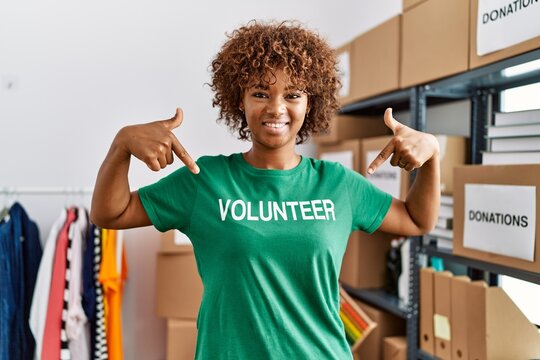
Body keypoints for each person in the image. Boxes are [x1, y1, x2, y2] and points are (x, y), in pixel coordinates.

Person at [91, 20, 440, 360]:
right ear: (239, 101)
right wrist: (120, 146)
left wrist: (432, 156)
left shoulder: (338, 184)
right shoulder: (205, 180)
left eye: (293, 94)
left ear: (310, 103)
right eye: (260, 92)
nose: (276, 108)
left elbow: (416, 220)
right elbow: (110, 213)